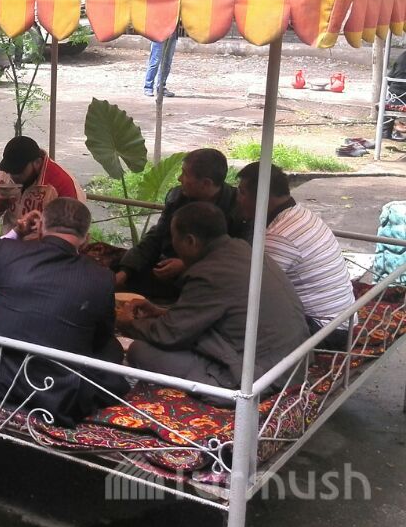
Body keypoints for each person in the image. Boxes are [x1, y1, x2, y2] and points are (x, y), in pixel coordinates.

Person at [0, 198, 130, 425]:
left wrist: (16, 233)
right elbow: (100, 338)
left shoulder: (7, 251)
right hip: (56, 396)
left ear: (40, 227)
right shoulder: (102, 278)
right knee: (112, 348)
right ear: (87, 239)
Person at [119, 202, 310, 394]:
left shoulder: (209, 273)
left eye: (174, 237)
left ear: (190, 241)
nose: (173, 244)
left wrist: (128, 324)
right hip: (292, 363)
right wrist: (160, 312)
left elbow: (169, 335)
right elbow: (211, 313)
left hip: (261, 379)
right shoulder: (242, 249)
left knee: (140, 351)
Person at [236, 162, 355, 344]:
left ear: (262, 196)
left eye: (242, 193)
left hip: (326, 331)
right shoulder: (299, 213)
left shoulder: (279, 235)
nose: (238, 199)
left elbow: (254, 292)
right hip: (344, 318)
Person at [116, 148, 244, 299]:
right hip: (167, 269)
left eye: (185, 174)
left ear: (206, 183)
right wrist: (126, 270)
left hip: (211, 279)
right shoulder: (177, 197)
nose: (179, 178)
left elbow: (237, 259)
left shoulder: (239, 208)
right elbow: (157, 237)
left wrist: (187, 264)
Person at [0, 136, 83, 234]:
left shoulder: (61, 182)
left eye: (18, 170)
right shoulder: (4, 173)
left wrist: (41, 232)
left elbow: (73, 231)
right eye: (10, 169)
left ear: (37, 163)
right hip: (11, 239)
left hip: (46, 243)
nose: (13, 175)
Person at [144, 33, 177, 98]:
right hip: (159, 34)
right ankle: (148, 87)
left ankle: (161, 87)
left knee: (167, 62)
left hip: (172, 35)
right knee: (155, 62)